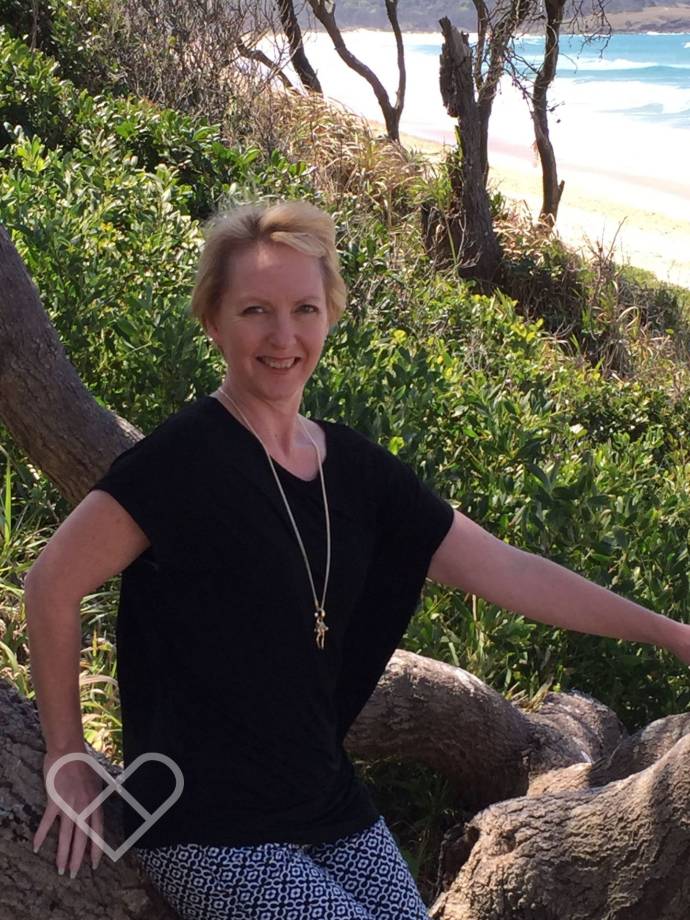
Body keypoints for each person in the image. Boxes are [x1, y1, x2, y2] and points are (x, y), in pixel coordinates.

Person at [25, 199, 690, 920]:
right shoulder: (178, 462)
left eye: (304, 309)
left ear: (329, 316)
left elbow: (510, 570)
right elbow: (51, 584)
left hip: (325, 799)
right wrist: (68, 753)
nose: (283, 336)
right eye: (255, 311)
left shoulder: (354, 470)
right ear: (214, 320)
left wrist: (672, 634)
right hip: (206, 822)